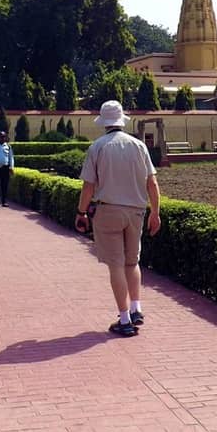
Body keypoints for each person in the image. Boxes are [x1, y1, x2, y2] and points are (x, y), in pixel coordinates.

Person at [75, 100, 161, 337]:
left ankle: (124, 320)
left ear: (104, 122)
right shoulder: (139, 146)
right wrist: (155, 212)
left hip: (108, 210)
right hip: (136, 211)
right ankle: (136, 308)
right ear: (122, 120)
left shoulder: (98, 147)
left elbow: (88, 187)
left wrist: (81, 212)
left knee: (115, 265)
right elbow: (152, 183)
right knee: (132, 262)